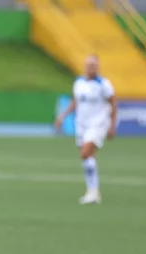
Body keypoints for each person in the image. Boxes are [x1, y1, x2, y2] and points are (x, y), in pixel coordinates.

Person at [54, 54, 117, 205]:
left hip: (98, 124)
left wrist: (112, 126)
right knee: (88, 158)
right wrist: (62, 116)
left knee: (85, 153)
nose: (91, 68)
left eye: (93, 66)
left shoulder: (104, 84)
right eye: (89, 66)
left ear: (98, 67)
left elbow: (113, 104)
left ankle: (93, 192)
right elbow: (75, 101)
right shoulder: (79, 83)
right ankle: (93, 192)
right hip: (81, 124)